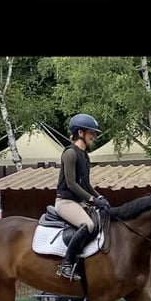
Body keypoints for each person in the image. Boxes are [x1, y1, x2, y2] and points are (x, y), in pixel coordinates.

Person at [55, 113, 110, 281]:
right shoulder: (70, 153)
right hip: (65, 202)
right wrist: (93, 200)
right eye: (91, 132)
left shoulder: (85, 155)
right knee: (88, 225)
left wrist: (100, 196)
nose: (94, 136)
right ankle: (66, 264)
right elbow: (71, 184)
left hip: (78, 202)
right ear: (80, 133)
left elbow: (86, 184)